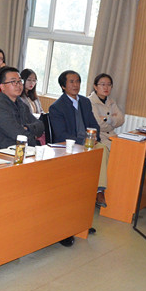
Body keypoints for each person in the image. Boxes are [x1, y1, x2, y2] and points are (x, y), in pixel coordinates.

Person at [48, 70, 108, 205]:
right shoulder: (57, 107)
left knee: (103, 149)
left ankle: (99, 190)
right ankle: (94, 191)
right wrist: (83, 141)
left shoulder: (85, 102)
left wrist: (93, 138)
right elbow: (60, 134)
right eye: (71, 82)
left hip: (89, 142)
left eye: (78, 81)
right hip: (70, 145)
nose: (76, 85)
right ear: (63, 86)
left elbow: (94, 124)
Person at [0, 67, 44, 148]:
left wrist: (27, 128)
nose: (18, 85)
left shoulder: (21, 103)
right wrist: (32, 135)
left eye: (20, 81)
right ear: (2, 87)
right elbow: (19, 135)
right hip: (7, 151)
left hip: (25, 149)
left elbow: (40, 125)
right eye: (13, 82)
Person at [89, 73, 125, 145]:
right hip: (98, 136)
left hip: (112, 135)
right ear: (95, 87)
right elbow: (98, 124)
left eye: (109, 85)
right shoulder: (90, 101)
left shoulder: (111, 101)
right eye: (103, 84)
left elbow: (121, 120)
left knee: (127, 146)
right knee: (116, 148)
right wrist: (113, 121)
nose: (106, 87)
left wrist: (107, 119)